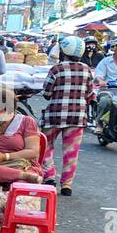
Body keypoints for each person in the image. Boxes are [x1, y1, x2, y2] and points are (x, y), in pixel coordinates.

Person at [38, 35, 96, 196]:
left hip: (54, 115)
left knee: (45, 145)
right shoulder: (86, 70)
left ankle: (49, 175)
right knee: (71, 152)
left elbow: (47, 93)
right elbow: (90, 93)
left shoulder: (56, 69)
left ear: (63, 50)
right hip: (77, 117)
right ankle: (67, 185)